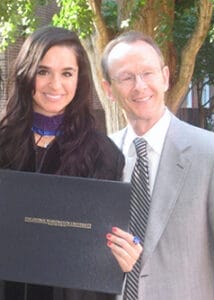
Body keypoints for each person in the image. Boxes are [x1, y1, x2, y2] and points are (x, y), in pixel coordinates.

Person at [0, 26, 142, 300]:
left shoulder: (101, 154)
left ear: (80, 80)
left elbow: (105, 240)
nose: (55, 84)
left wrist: (125, 252)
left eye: (67, 73)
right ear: (27, 74)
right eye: (43, 71)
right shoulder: (3, 145)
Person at [101, 31, 214, 300]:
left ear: (166, 78)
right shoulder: (101, 155)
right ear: (108, 89)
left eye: (148, 73)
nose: (140, 86)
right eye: (126, 77)